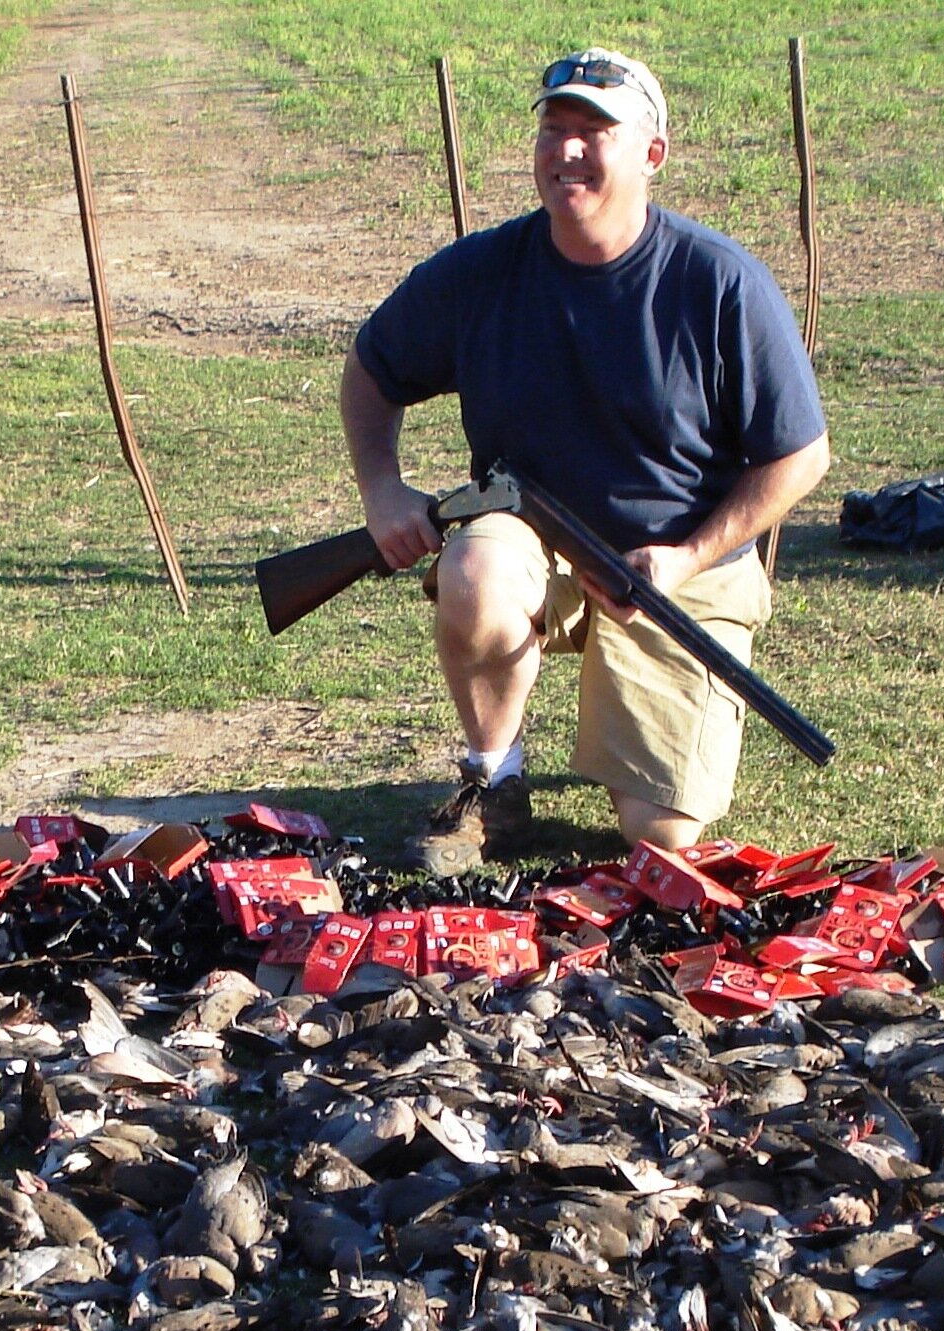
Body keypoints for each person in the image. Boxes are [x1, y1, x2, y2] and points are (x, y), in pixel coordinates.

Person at [341, 47, 831, 874]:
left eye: (594, 132)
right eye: (554, 129)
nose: (568, 150)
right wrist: (383, 490)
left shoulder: (720, 283)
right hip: (534, 538)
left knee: (661, 834)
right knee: (475, 571)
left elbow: (800, 456)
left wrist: (687, 557)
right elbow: (370, 370)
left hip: (678, 564)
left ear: (652, 155)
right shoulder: (482, 272)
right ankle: (493, 779)